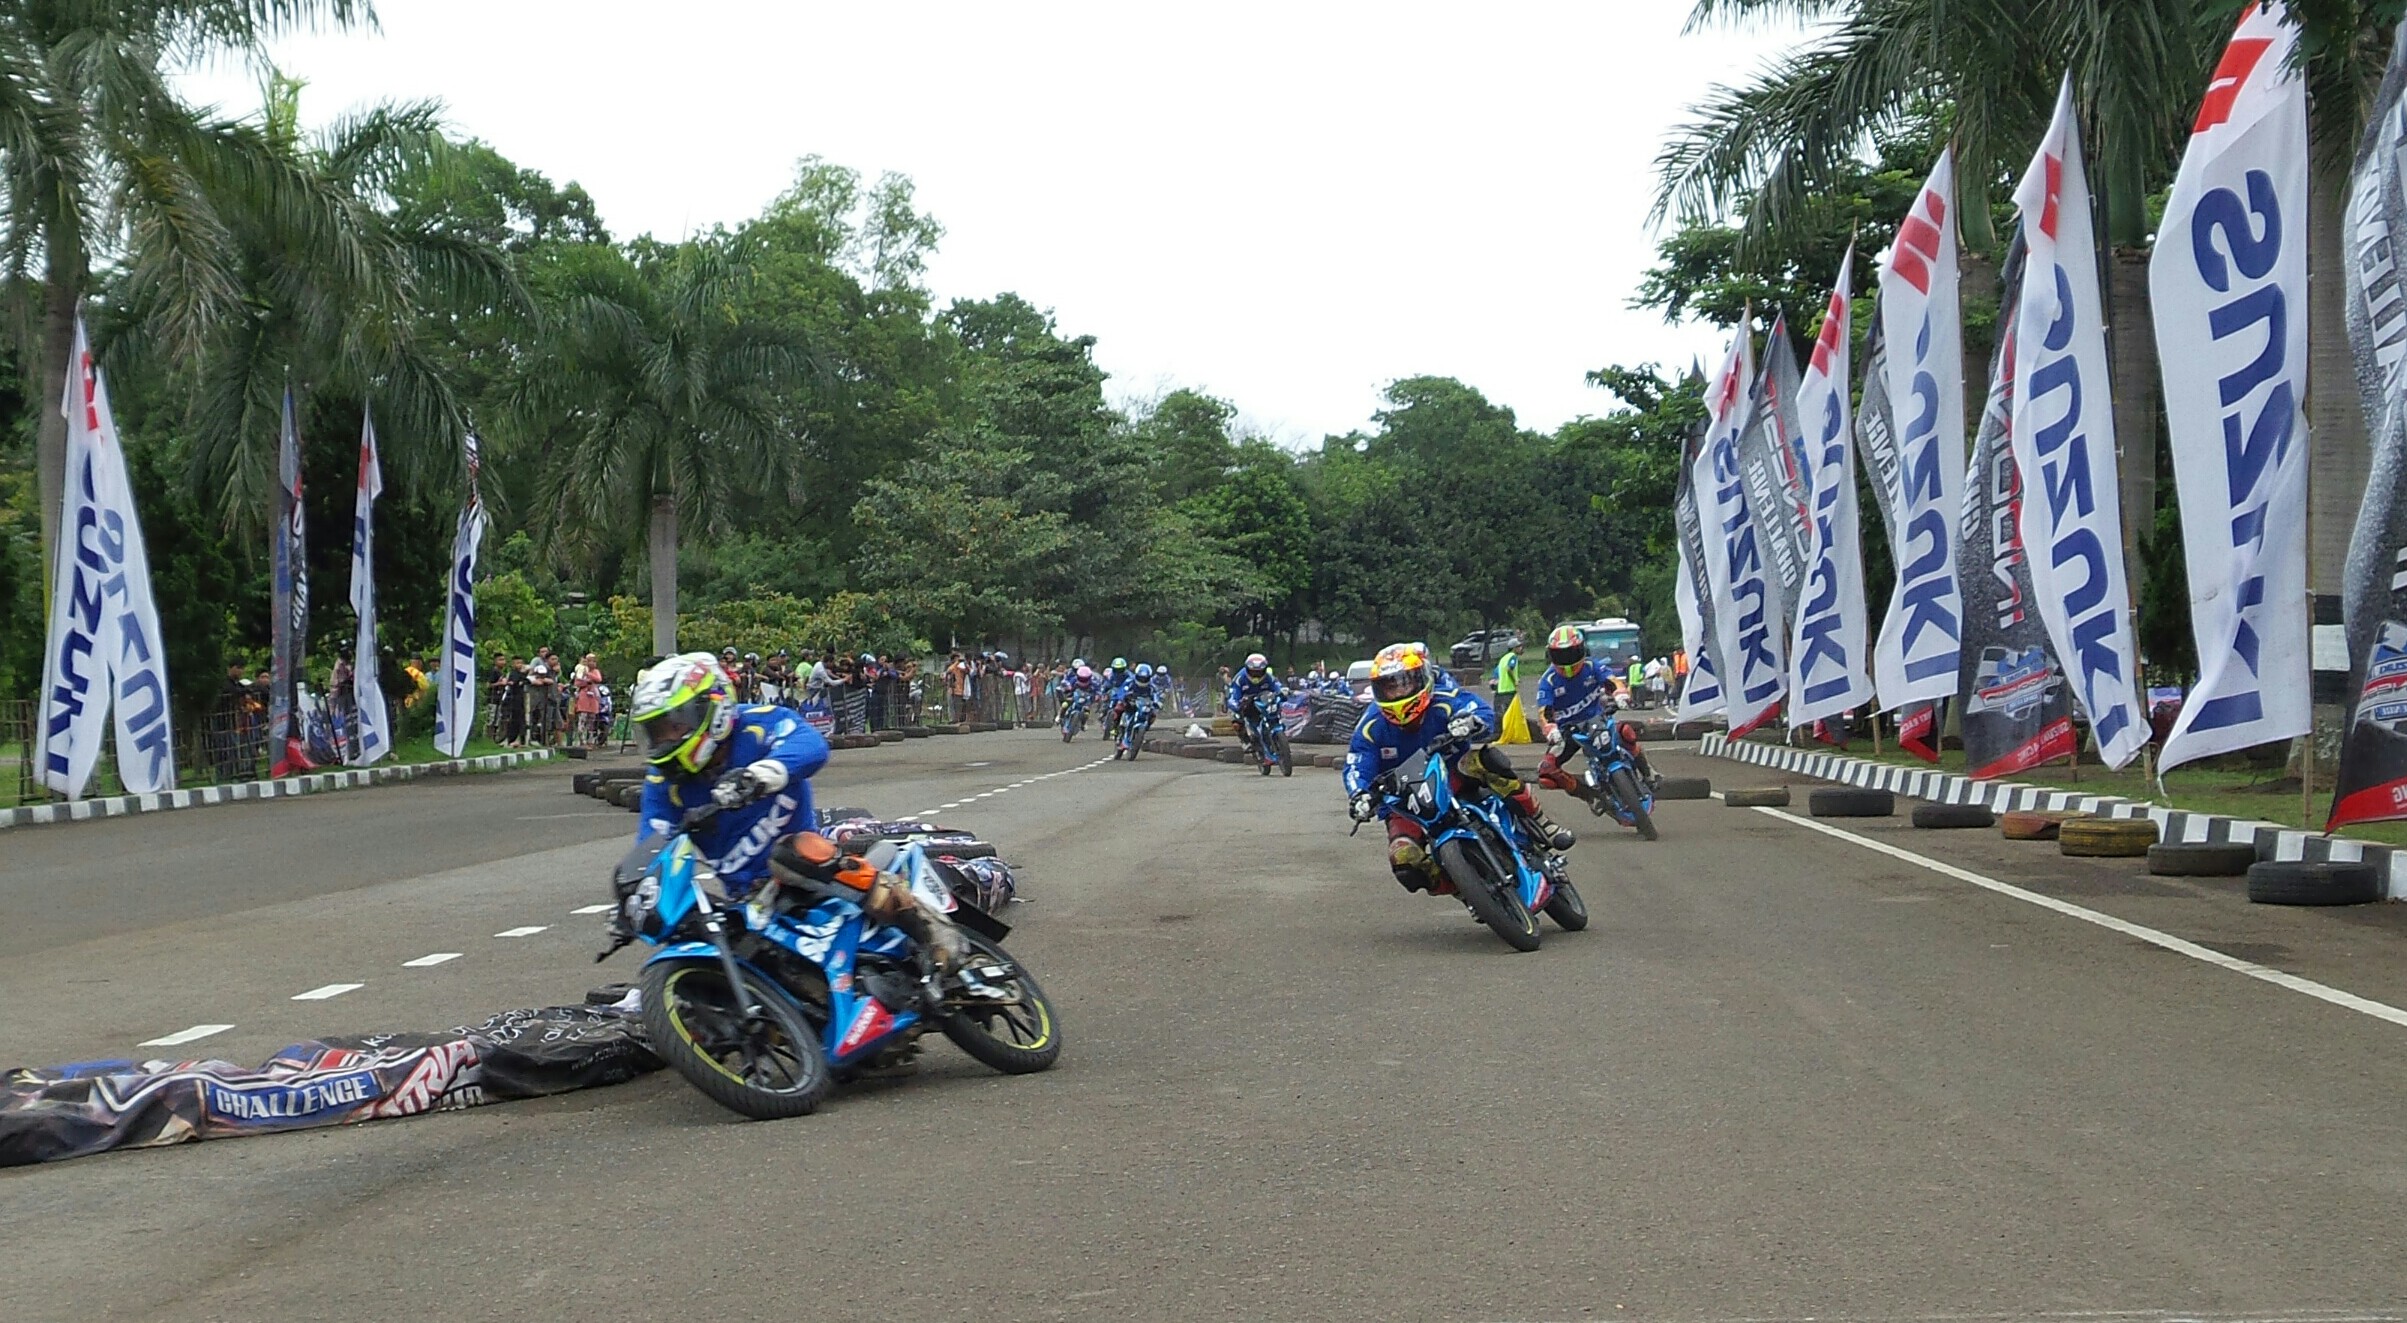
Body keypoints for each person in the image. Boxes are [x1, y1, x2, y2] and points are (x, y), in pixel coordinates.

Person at [1344, 641, 1573, 894]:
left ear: (1421, 679)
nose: (1398, 691)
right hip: (1406, 803)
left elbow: (1479, 709)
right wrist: (1359, 794)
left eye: (1404, 683)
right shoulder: (1370, 726)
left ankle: (1541, 821)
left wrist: (1470, 722)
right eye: (1389, 686)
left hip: (1456, 774)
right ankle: (1462, 890)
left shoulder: (1443, 699)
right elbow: (1356, 763)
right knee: (1404, 861)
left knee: (1488, 759)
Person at [630, 652, 830, 900]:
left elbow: (812, 745)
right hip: (746, 902)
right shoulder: (662, 782)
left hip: (811, 876)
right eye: (656, 733)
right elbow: (651, 848)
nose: (664, 741)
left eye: (674, 727)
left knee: (866, 894)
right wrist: (636, 892)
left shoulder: (759, 722)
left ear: (712, 709)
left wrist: (757, 776)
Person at [1533, 625, 1657, 796]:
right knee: (1547, 772)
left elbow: (1611, 681)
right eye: (1560, 655)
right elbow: (1544, 711)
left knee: (1625, 732)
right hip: (1568, 731)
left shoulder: (1592, 666)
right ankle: (1589, 796)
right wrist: (1551, 729)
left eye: (1571, 653)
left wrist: (1620, 694)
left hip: (1596, 720)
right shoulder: (1548, 681)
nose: (1567, 660)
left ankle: (1649, 773)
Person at [1225, 652, 1284, 751]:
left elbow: (1278, 687)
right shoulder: (1240, 678)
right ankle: (1245, 741)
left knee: (1277, 708)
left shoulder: (1268, 677)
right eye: (1253, 672)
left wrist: (1284, 692)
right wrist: (1235, 704)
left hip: (1264, 702)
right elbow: (1233, 695)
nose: (1256, 675)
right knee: (1236, 721)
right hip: (1246, 705)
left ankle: (1276, 733)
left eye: (1259, 672)